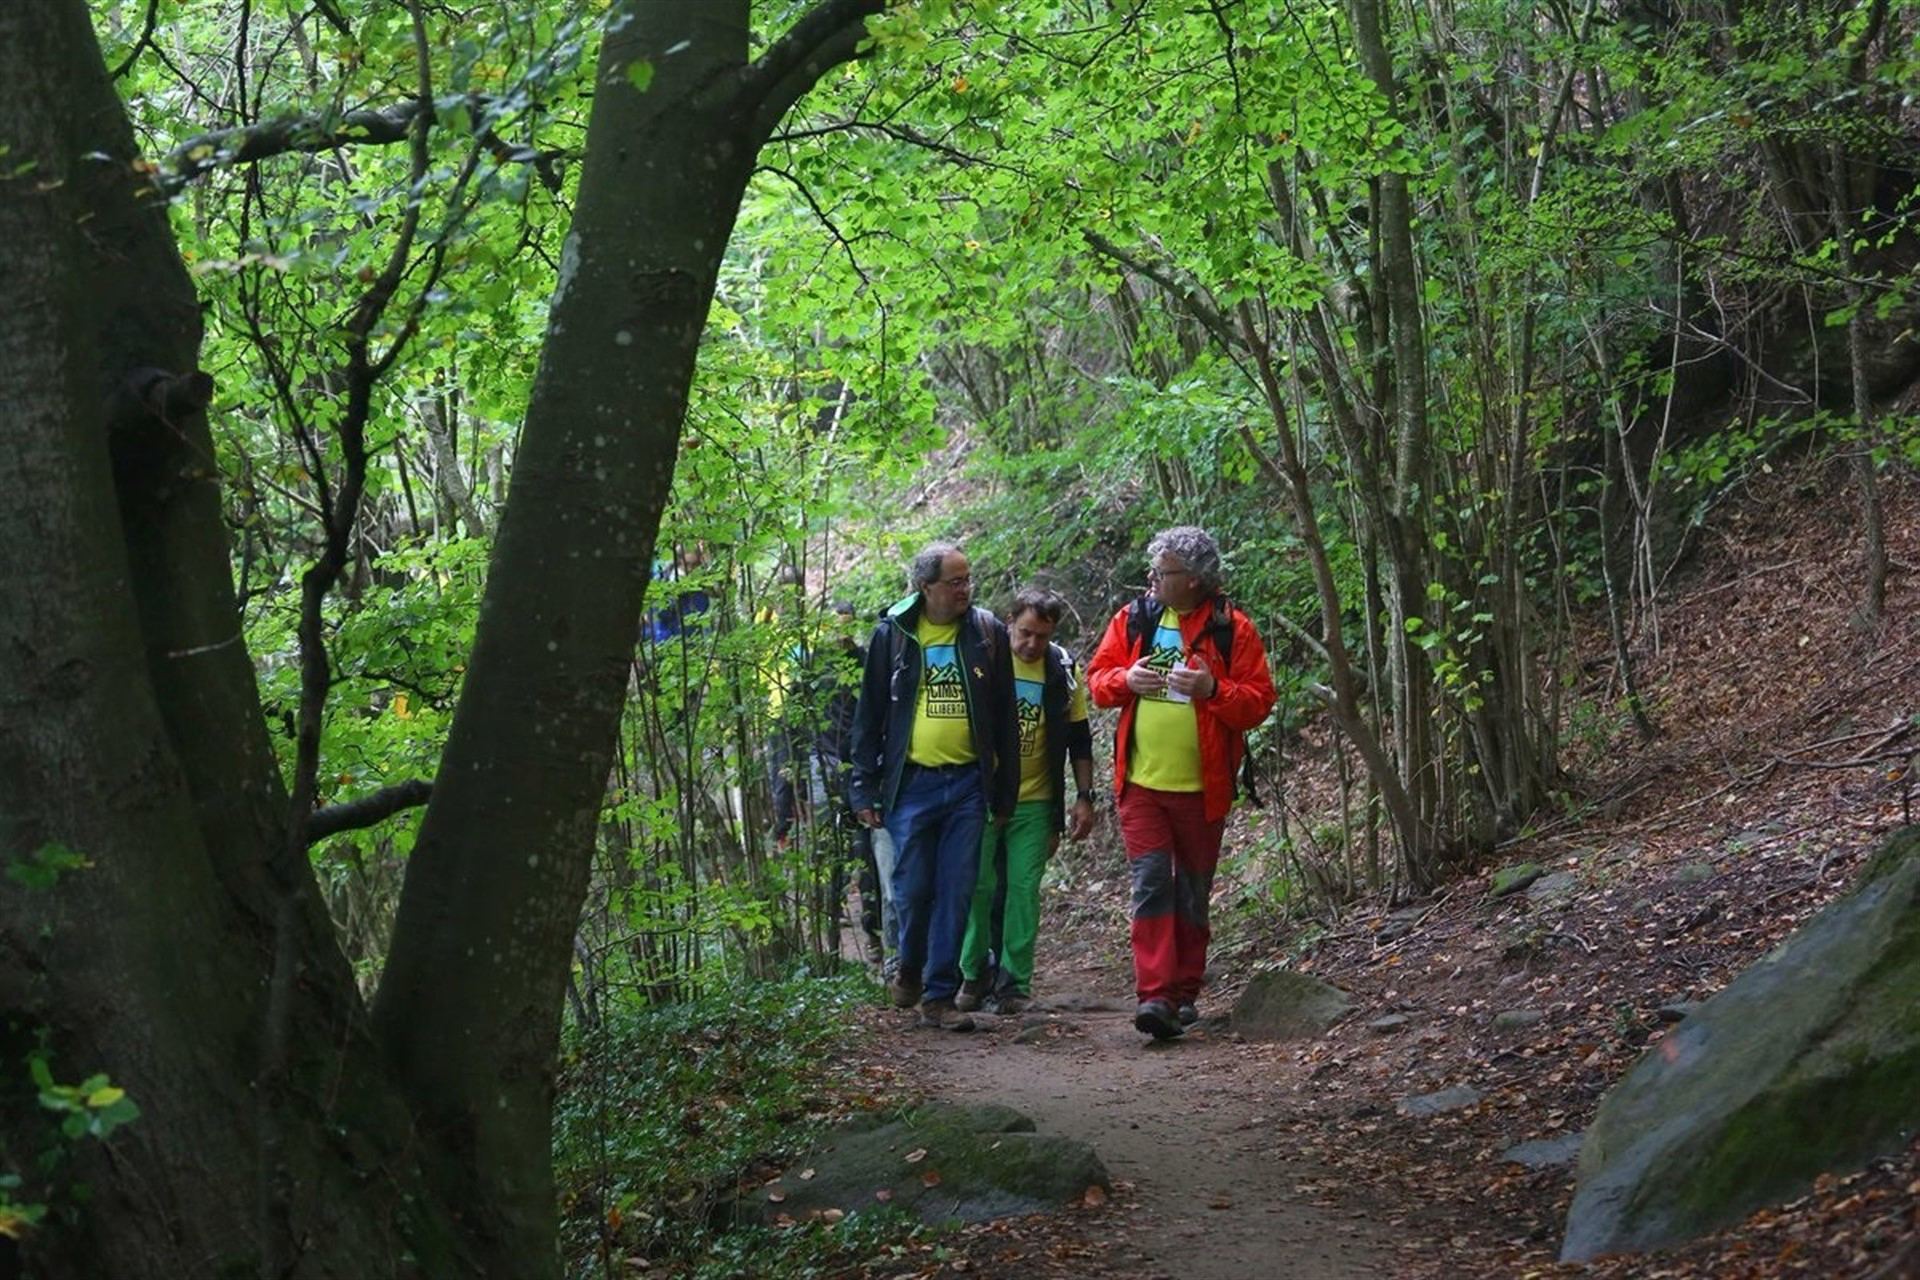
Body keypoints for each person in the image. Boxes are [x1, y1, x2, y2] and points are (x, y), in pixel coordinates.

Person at [1086, 526, 1276, 1040]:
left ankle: (1184, 993)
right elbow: (1098, 681)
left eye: (1163, 572)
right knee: (1151, 885)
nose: (1152, 580)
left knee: (1192, 891)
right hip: (1140, 784)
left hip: (1202, 788)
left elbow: (1258, 702)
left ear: (1193, 580)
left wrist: (1213, 687)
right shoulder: (1136, 618)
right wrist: (1127, 680)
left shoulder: (1230, 629)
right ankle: (1155, 995)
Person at [851, 543, 1018, 1032]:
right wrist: (863, 788)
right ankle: (910, 965)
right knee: (912, 887)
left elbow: (1006, 718)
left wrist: (1004, 792)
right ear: (926, 588)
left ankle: (939, 996)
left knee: (957, 889)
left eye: (968, 580)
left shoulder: (988, 634)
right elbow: (869, 715)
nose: (966, 589)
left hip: (968, 784)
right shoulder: (894, 635)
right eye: (955, 582)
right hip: (911, 784)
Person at [955, 588, 1095, 1015]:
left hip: (1036, 801)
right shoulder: (985, 661)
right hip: (983, 797)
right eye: (1025, 633)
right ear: (1009, 621)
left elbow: (1079, 739)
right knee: (977, 888)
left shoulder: (1061, 669)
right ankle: (973, 973)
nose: (1032, 644)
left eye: (1042, 636)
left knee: (1023, 891)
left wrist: (1084, 797)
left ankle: (1015, 982)